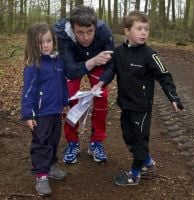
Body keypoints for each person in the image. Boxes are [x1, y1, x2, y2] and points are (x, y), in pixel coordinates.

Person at [92, 10, 185, 186]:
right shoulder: (118, 52)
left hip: (142, 107)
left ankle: (134, 174)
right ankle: (147, 161)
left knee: (140, 140)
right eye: (139, 28)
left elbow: (164, 75)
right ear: (127, 31)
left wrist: (173, 97)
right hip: (125, 104)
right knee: (129, 137)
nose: (144, 32)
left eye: (146, 29)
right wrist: (101, 83)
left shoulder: (150, 54)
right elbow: (111, 69)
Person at [54, 5, 115, 164]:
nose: (86, 37)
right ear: (73, 29)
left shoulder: (104, 31)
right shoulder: (63, 34)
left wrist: (102, 82)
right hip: (75, 64)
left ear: (95, 27)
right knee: (69, 98)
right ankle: (72, 142)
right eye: (80, 32)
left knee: (102, 96)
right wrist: (91, 61)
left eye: (90, 31)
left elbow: (112, 64)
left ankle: (96, 142)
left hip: (98, 62)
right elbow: (69, 70)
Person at [21, 22, 69, 196]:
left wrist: (65, 103)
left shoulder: (57, 61)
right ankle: (41, 176)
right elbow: (28, 91)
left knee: (54, 140)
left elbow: (62, 84)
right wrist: (28, 114)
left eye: (48, 40)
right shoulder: (33, 65)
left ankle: (50, 167)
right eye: (41, 42)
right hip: (40, 113)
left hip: (55, 110)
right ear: (34, 44)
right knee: (41, 143)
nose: (46, 45)